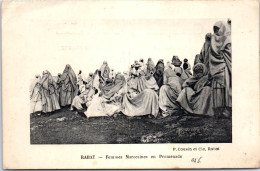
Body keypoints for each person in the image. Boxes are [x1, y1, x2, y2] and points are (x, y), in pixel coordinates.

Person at [209, 20, 232, 118]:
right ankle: (220, 111)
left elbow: (229, 53)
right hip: (218, 68)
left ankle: (227, 109)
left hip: (224, 67)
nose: (216, 31)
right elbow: (212, 55)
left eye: (218, 29)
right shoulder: (214, 40)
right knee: (220, 89)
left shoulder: (227, 39)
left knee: (226, 88)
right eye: (215, 29)